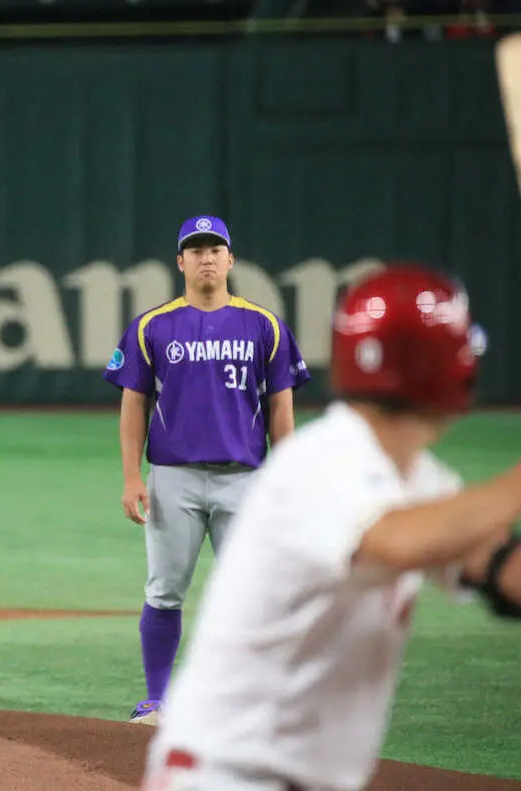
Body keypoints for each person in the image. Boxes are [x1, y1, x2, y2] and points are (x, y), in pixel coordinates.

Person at [141, 264, 521, 791]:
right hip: (226, 775)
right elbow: (396, 540)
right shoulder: (324, 462)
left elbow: (499, 566)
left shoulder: (420, 480)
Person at [102, 215, 311, 726]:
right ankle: (157, 700)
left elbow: (281, 408)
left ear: (231, 259)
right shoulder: (153, 325)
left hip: (245, 477)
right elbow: (134, 404)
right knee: (165, 589)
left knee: (253, 592)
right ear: (181, 262)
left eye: (215, 248)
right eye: (195, 250)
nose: (207, 257)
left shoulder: (264, 324)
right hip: (173, 476)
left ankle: (252, 701)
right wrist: (132, 475)